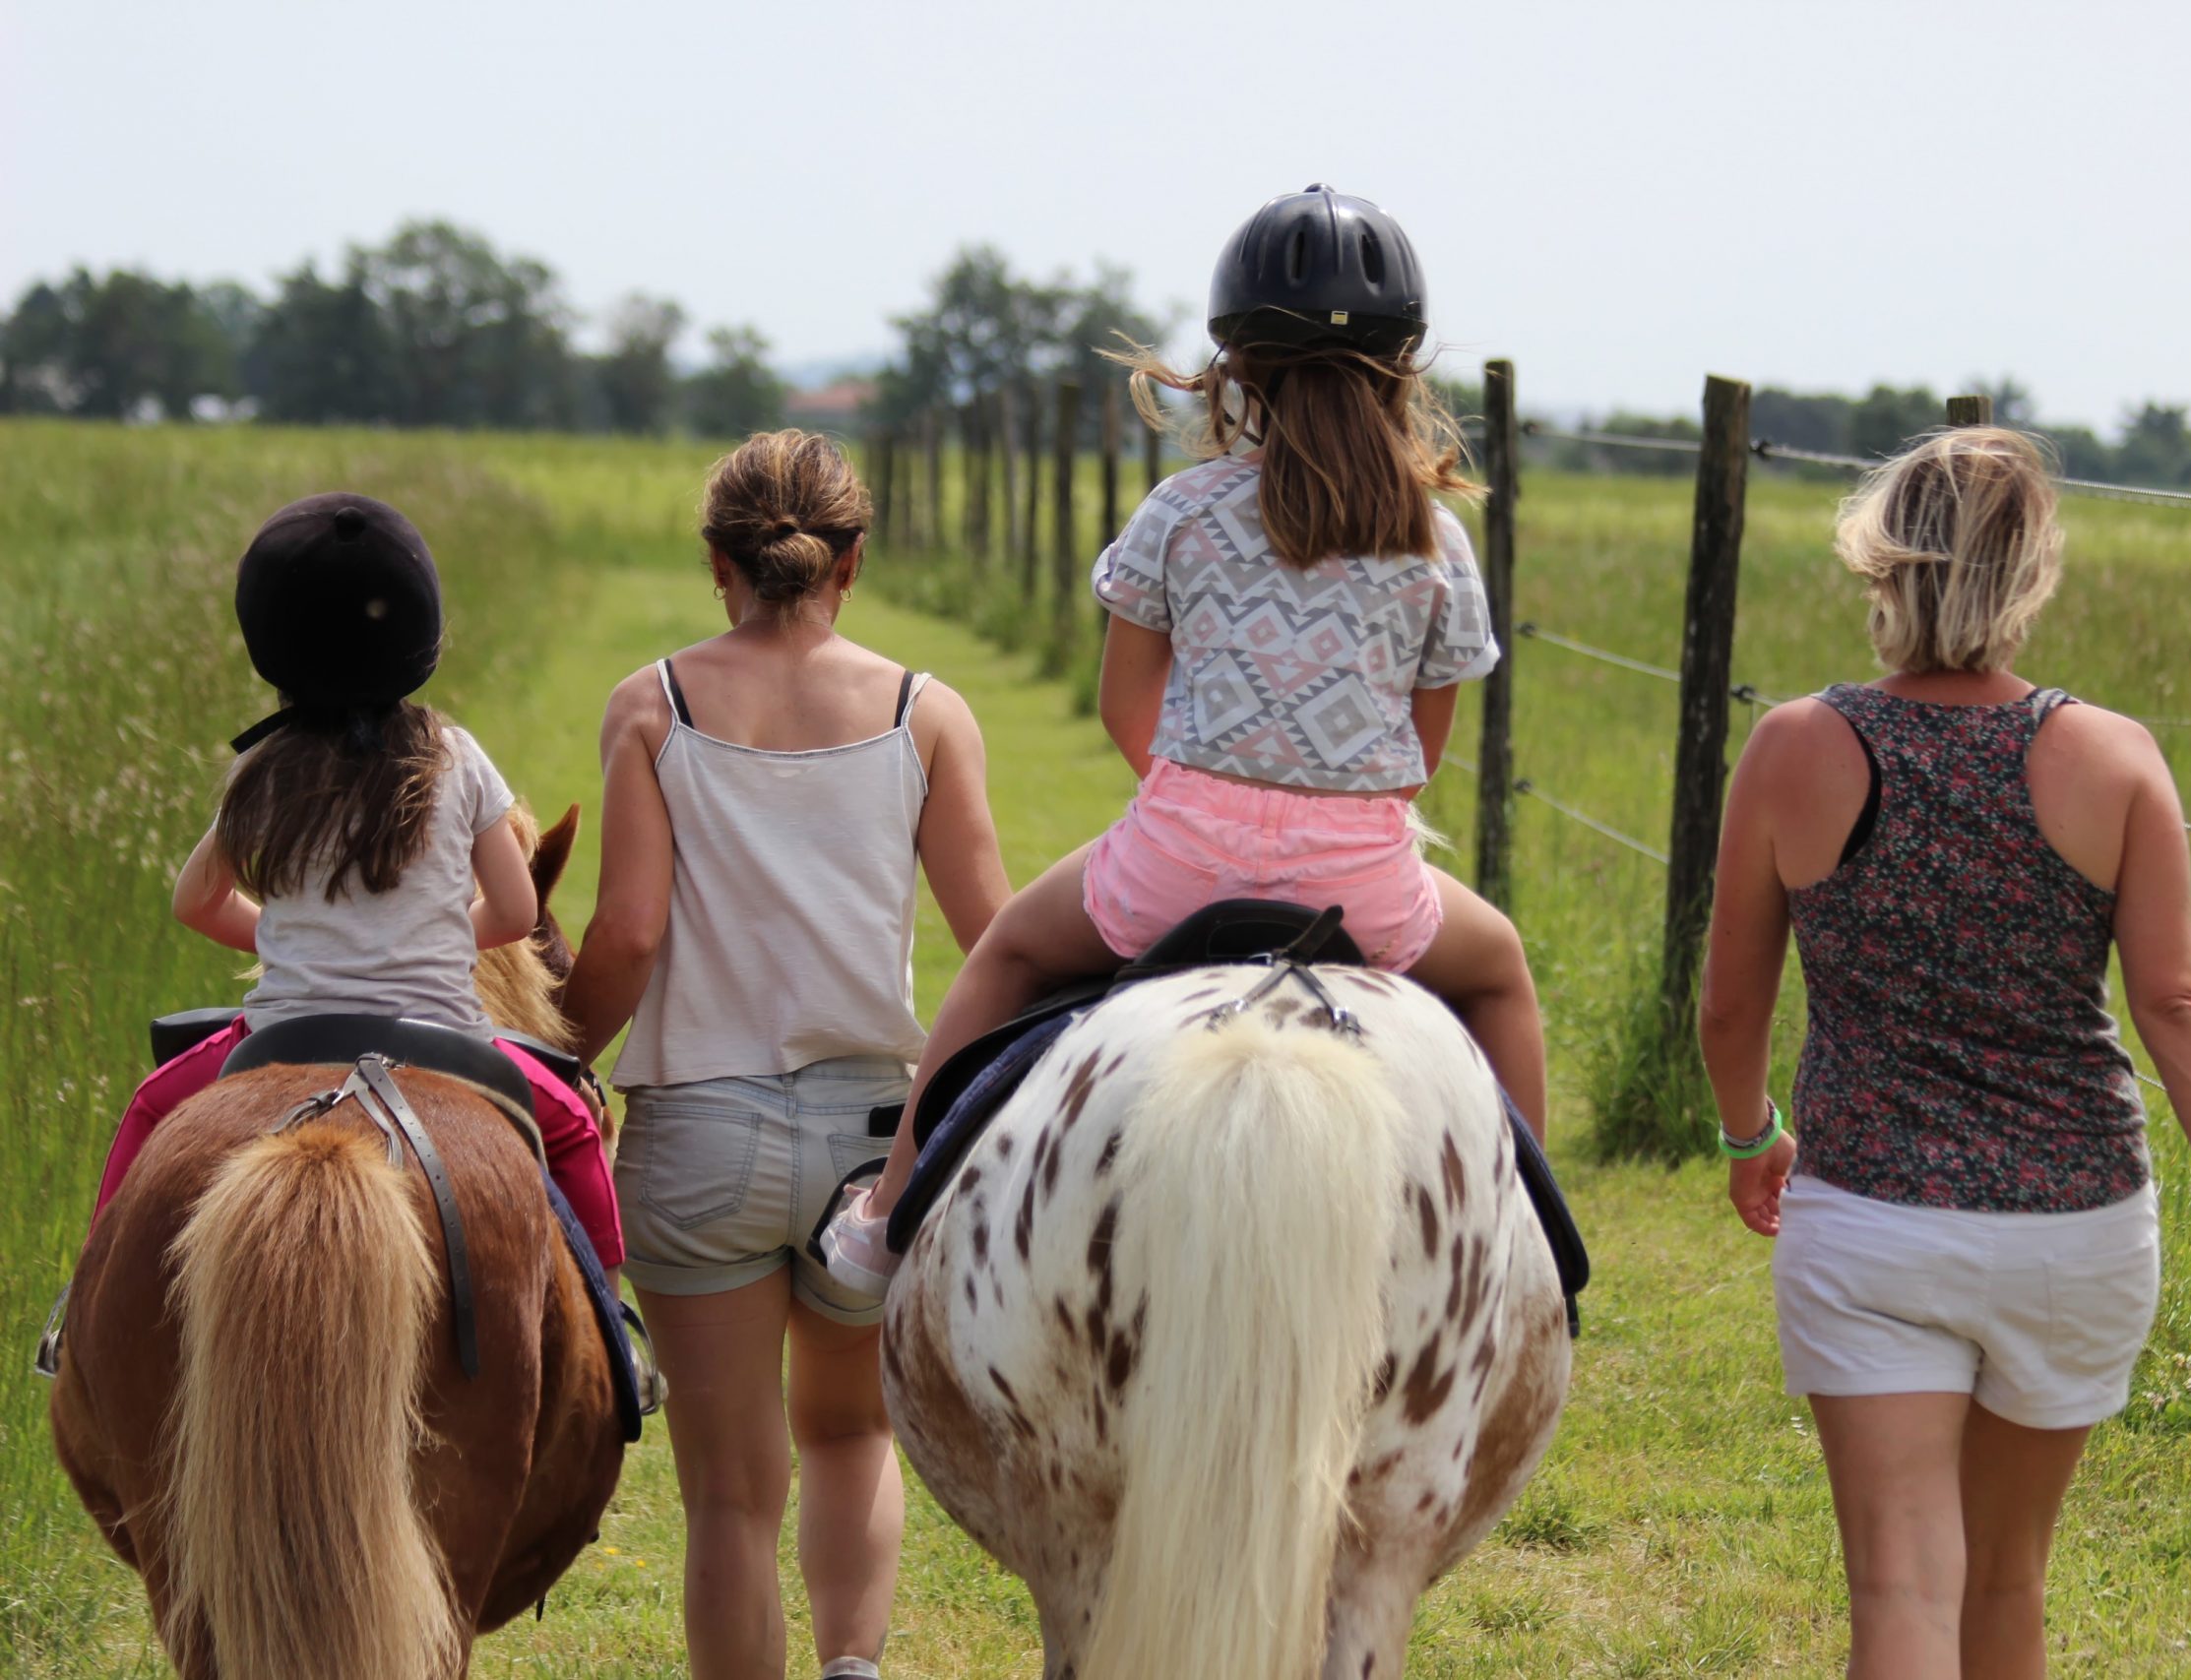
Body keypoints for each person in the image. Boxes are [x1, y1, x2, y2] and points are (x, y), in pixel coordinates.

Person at [815, 184, 1547, 1296]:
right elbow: (1422, 742)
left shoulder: (1181, 511)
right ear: (1403, 364)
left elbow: (1125, 704)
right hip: (1364, 883)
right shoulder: (1432, 534)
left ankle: (883, 1219)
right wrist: (1327, 801)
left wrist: (1207, 799)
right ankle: (1516, 1251)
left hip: (1176, 864)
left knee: (1009, 948)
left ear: (1236, 365)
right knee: (1499, 977)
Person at [1699, 426, 2191, 1679]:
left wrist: (1750, 1132)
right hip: (2075, 1228)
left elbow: (1726, 1005)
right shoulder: (2110, 757)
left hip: (1870, 1217)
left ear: (1885, 573)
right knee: (2008, 1583)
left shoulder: (1794, 748)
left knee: (1899, 1592)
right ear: (2030, 575)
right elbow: (2180, 1004)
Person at [559, 429, 1008, 1680]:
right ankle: (854, 1668)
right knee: (852, 1433)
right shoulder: (929, 714)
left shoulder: (654, 707)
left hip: (700, 1142)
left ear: (719, 564)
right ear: (850, 562)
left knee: (727, 1497)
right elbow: (992, 945)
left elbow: (630, 933)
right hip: (877, 1138)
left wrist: (550, 1053)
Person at [92, 493, 621, 1275]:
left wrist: (282, 936)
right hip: (443, 1036)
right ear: (418, 631)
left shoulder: (260, 771)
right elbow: (515, 911)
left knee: (148, 1107)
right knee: (575, 1125)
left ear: (270, 638)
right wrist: (429, 936)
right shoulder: (456, 754)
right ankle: (614, 1321)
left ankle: (85, 1301)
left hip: (280, 1035)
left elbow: (194, 902)